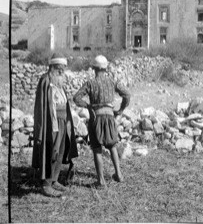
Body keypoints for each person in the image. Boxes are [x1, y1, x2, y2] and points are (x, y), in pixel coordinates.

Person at [73, 55, 130, 188]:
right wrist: (120, 109)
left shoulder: (90, 83)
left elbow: (76, 98)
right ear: (105, 68)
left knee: (97, 149)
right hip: (110, 117)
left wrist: (87, 106)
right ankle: (119, 175)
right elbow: (127, 94)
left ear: (94, 68)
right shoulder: (112, 81)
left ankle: (101, 181)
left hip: (96, 118)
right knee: (112, 146)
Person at [32, 53, 78, 197]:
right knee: (51, 152)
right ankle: (45, 185)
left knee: (61, 151)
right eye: (59, 68)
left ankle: (54, 180)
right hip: (51, 124)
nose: (62, 71)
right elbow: (41, 106)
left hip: (63, 122)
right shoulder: (45, 80)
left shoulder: (59, 82)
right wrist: (40, 130)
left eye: (63, 68)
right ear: (52, 67)